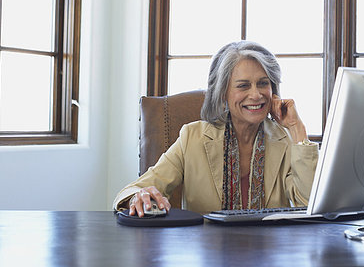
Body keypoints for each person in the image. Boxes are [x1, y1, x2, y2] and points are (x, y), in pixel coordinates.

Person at [113, 40, 318, 216]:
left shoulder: (286, 140)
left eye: (263, 83)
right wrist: (138, 197)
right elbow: (135, 189)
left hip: (270, 253)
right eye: (243, 85)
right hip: (207, 252)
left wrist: (296, 128)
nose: (256, 95)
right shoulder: (192, 137)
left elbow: (312, 204)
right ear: (222, 94)